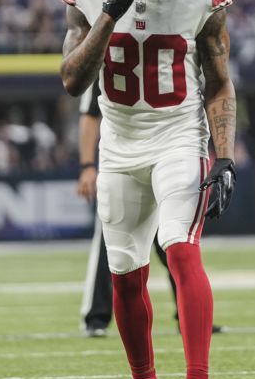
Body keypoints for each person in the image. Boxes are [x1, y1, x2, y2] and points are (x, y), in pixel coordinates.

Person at [60, 0, 236, 379]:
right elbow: (71, 78)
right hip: (118, 143)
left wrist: (224, 153)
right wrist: (111, 9)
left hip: (178, 135)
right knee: (125, 269)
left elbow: (219, 77)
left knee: (180, 247)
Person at [77, 80, 225, 338]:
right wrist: (87, 165)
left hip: (169, 159)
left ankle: (190, 315)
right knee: (113, 248)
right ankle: (96, 315)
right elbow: (90, 113)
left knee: (177, 242)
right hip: (126, 163)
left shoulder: (178, 45)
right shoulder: (107, 47)